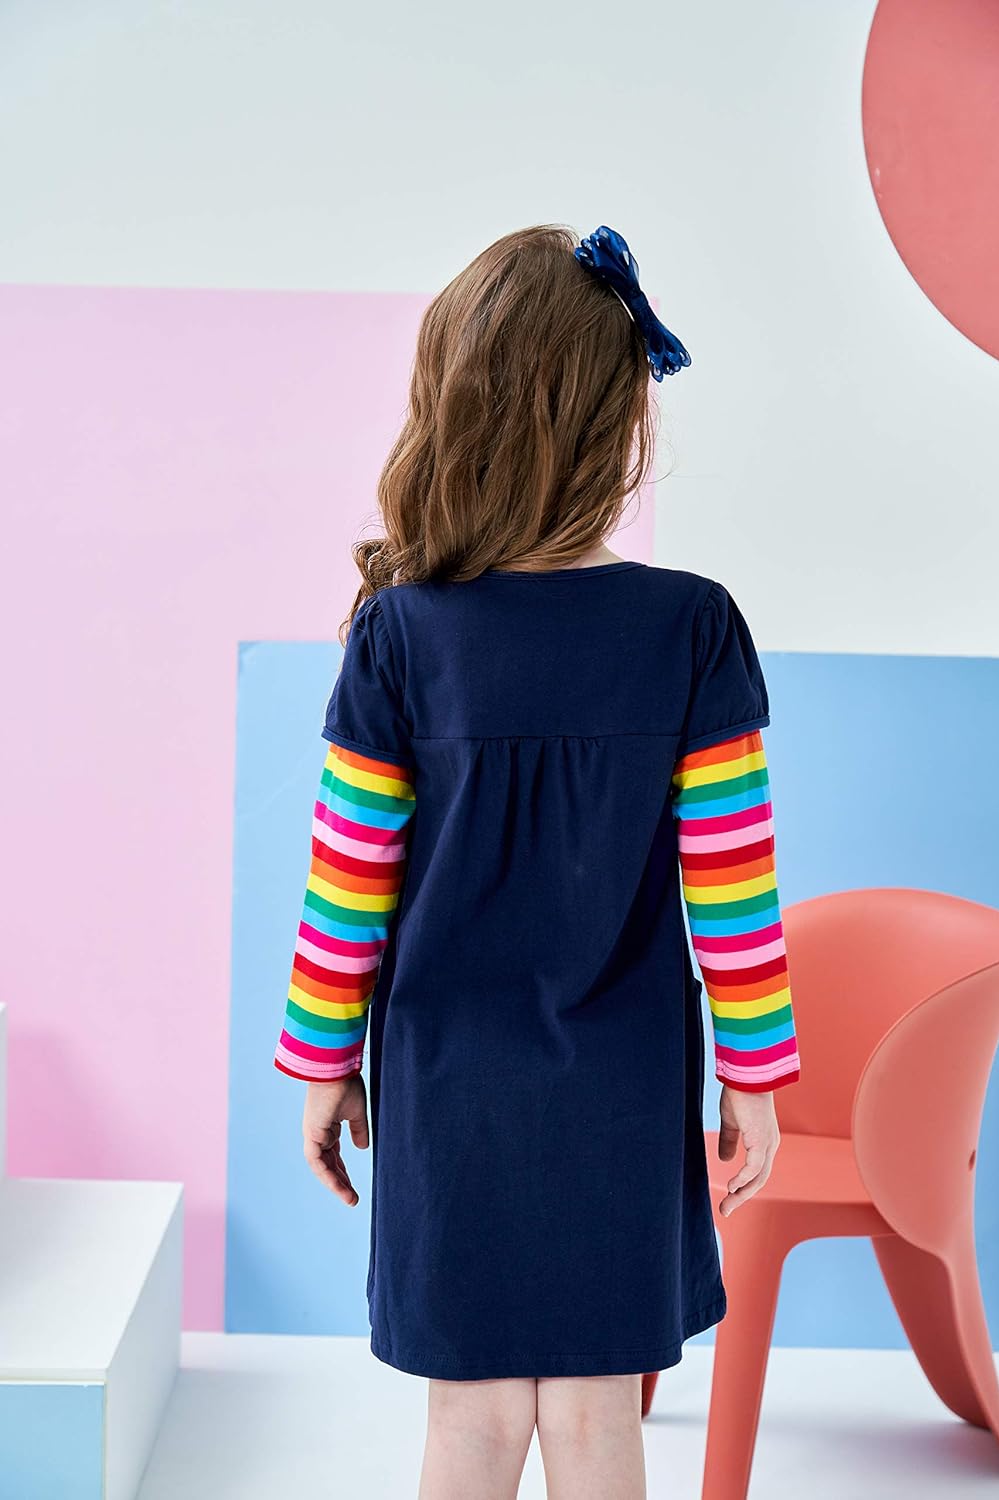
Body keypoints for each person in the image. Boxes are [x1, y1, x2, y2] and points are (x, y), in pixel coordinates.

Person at [273, 223, 801, 1500]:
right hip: (622, 1083)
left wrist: (322, 1065)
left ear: (450, 411)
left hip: (445, 1084)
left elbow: (346, 886)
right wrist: (754, 1077)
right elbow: (732, 889)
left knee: (467, 1419)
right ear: (617, 425)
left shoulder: (400, 636)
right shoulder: (689, 627)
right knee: (596, 1412)